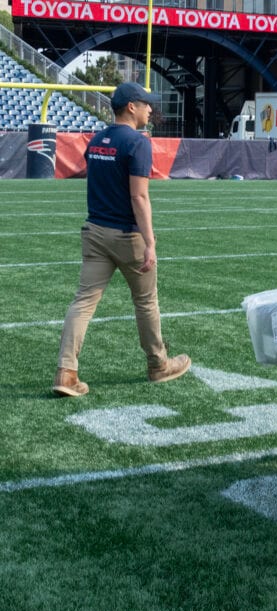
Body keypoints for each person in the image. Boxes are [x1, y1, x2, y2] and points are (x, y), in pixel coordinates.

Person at [53, 81, 191, 398]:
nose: (150, 109)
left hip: (94, 232)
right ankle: (158, 365)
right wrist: (151, 242)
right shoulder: (138, 142)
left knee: (83, 303)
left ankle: (66, 370)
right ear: (131, 107)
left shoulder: (97, 139)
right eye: (146, 104)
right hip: (127, 236)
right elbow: (139, 197)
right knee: (145, 302)